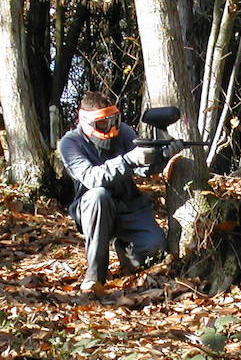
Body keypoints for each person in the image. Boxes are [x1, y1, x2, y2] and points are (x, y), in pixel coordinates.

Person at [59, 91, 183, 291]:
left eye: (114, 120)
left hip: (129, 205)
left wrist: (162, 156)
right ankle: (94, 277)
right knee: (98, 195)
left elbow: (144, 170)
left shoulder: (123, 132)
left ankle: (124, 249)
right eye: (104, 123)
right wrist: (128, 160)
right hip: (93, 210)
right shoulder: (70, 143)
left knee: (154, 250)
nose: (112, 128)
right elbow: (92, 178)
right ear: (85, 121)